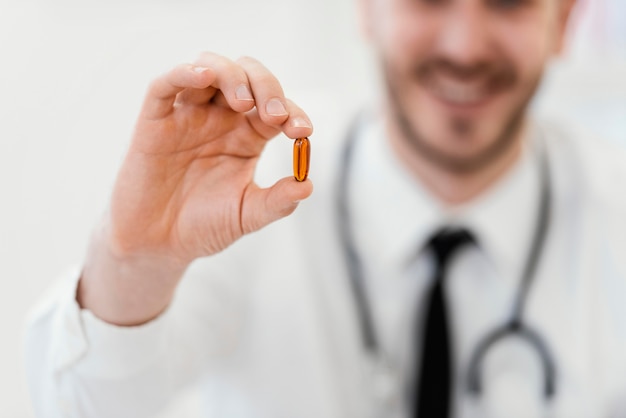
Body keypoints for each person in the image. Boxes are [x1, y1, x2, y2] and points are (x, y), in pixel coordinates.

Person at [24, 0, 626, 417]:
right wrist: (134, 260)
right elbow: (85, 403)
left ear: (565, 20)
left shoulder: (612, 212)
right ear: (368, 9)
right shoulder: (247, 178)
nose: (465, 46)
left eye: (510, 3)